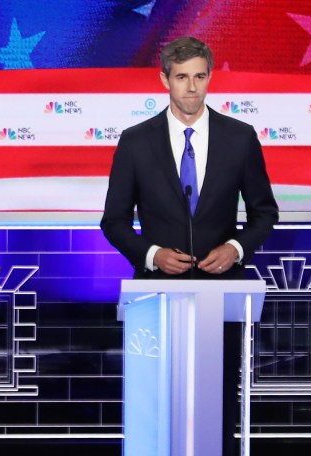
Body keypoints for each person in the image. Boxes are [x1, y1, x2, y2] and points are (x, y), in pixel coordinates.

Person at [100, 37, 279, 455]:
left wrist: (235, 247)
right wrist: (151, 255)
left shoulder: (239, 137)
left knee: (217, 401)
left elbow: (264, 212)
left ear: (210, 77)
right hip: (154, 295)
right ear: (165, 79)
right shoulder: (136, 141)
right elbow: (113, 221)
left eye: (200, 76)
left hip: (223, 295)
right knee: (155, 402)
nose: (192, 87)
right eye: (182, 77)